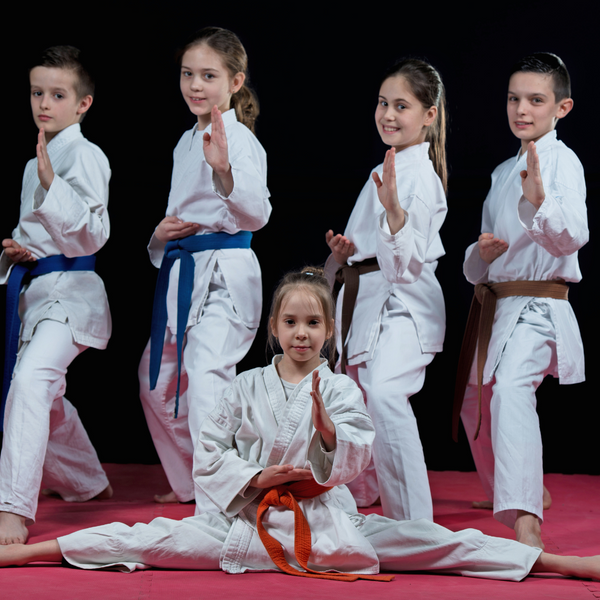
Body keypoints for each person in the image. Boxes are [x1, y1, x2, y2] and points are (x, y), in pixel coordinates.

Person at [1, 267, 599, 584]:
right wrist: (258, 476)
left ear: (328, 332)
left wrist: (331, 439)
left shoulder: (337, 388)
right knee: (146, 538)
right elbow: (209, 453)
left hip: (327, 521)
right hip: (246, 521)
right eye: (292, 321)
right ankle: (37, 550)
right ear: (274, 328)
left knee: (434, 543)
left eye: (314, 323)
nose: (303, 333)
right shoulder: (246, 385)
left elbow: (359, 453)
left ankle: (557, 565)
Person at [453, 53, 588, 549]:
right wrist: (480, 253)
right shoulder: (500, 171)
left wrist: (537, 202)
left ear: (562, 107)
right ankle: (507, 489)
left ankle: (527, 517)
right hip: (498, 303)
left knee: (510, 390)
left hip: (538, 303)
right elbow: (481, 259)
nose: (522, 109)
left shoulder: (562, 161)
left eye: (536, 100)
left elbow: (574, 235)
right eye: (514, 99)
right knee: (475, 404)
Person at [137, 27, 271, 509]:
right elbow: (180, 220)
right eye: (188, 74)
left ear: (235, 82)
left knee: (205, 373)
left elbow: (256, 214)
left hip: (224, 275)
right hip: (184, 270)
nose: (195, 85)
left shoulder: (238, 140)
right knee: (155, 382)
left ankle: (218, 504)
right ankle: (194, 484)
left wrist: (224, 170)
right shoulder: (185, 140)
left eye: (208, 76)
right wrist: (160, 235)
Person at [324, 59, 447, 521]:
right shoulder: (384, 167)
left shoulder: (419, 177)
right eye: (382, 103)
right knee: (356, 395)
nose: (388, 115)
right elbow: (370, 253)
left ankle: (415, 522)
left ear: (429, 115)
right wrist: (343, 254)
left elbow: (404, 263)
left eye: (401, 106)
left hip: (404, 303)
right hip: (368, 299)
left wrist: (394, 215)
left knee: (386, 392)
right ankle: (361, 497)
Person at [0, 46, 112, 545]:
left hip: (72, 294)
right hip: (38, 291)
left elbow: (91, 236)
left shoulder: (85, 155)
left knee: (29, 384)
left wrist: (52, 186)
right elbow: (42, 238)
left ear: (83, 103)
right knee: (42, 396)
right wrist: (18, 253)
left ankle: (13, 511)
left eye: (58, 94)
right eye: (37, 92)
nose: (44, 103)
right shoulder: (36, 162)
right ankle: (87, 483)